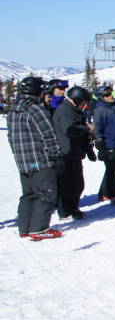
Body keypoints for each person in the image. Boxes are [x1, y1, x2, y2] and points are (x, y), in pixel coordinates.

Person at [8, 76, 64, 240]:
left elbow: (11, 137)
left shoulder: (13, 110)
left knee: (29, 194)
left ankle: (25, 227)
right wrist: (55, 155)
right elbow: (48, 135)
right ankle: (39, 228)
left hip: (23, 161)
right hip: (40, 160)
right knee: (47, 193)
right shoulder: (35, 109)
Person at [52, 85, 93, 220]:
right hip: (66, 153)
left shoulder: (74, 110)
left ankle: (73, 208)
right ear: (77, 99)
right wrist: (86, 128)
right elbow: (70, 129)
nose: (85, 105)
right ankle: (65, 212)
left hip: (74, 152)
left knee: (77, 184)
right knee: (67, 184)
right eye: (83, 102)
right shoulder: (65, 110)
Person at [91, 84, 115, 204]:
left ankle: (106, 192)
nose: (111, 96)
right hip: (108, 143)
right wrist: (100, 141)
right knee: (112, 169)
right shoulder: (100, 110)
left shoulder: (114, 107)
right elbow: (97, 127)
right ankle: (110, 193)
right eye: (107, 94)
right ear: (101, 97)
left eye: (111, 93)